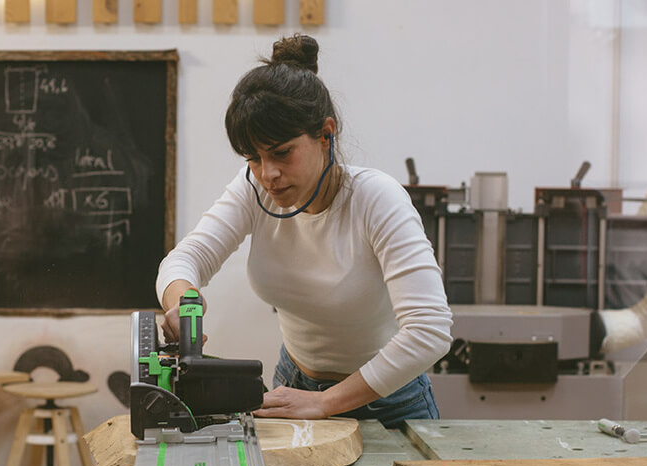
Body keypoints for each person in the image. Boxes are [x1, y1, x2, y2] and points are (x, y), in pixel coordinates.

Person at [155, 34, 453, 428]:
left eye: (281, 153)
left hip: (390, 402)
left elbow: (430, 331)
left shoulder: (376, 199)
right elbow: (184, 259)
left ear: (326, 134)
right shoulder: (255, 186)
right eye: (253, 158)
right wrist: (183, 299)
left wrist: (327, 402)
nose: (268, 173)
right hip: (294, 385)